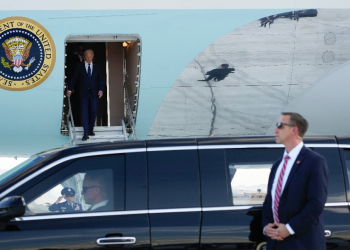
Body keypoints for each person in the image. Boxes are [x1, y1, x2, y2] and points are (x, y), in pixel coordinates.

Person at [262, 112, 328, 250]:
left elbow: (316, 202)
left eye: (280, 126)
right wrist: (266, 226)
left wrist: (290, 228)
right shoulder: (277, 165)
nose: (275, 130)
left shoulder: (314, 161)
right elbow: (270, 200)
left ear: (294, 129)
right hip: (275, 242)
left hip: (301, 242)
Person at [66, 49, 104, 141]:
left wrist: (101, 90)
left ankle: (91, 129)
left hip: (94, 93)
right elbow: (73, 78)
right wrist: (69, 89)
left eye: (90, 57)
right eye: (87, 57)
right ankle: (85, 133)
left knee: (94, 111)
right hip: (83, 93)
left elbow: (101, 79)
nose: (89, 59)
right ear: (84, 57)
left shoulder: (97, 66)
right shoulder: (79, 66)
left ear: (93, 57)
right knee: (84, 112)